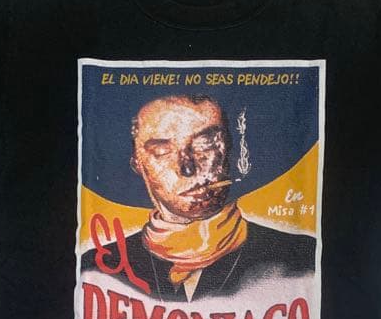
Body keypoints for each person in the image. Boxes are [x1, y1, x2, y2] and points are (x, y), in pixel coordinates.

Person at [79, 93, 316, 302]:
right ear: (137, 163)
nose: (187, 167)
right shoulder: (99, 268)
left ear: (229, 150)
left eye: (205, 145)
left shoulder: (299, 257)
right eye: (162, 151)